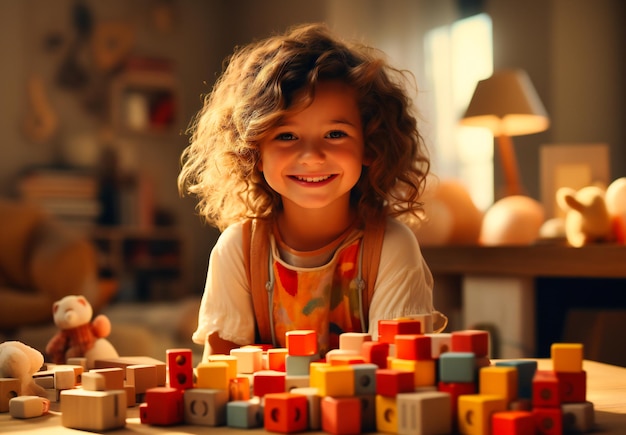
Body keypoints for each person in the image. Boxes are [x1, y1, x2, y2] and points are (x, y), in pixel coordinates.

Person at [178, 23, 442, 359]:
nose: (312, 157)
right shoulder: (238, 251)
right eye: (287, 136)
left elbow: (402, 373)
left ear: (370, 146)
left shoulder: (392, 247)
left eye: (335, 134)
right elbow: (221, 380)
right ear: (253, 152)